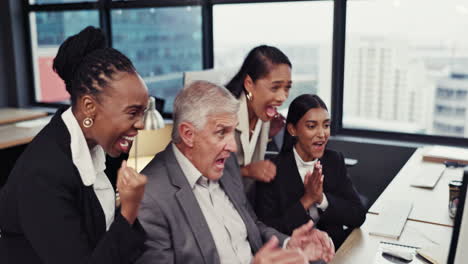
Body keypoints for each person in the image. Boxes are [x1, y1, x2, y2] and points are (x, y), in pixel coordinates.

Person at [136, 81, 335, 264]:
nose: (233, 146)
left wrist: (287, 244)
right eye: (222, 132)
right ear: (188, 134)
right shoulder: (148, 196)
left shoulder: (226, 163)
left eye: (233, 131)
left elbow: (252, 226)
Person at [0, 26, 148, 264]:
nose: (140, 124)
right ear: (89, 107)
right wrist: (129, 210)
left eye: (144, 112)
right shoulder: (44, 175)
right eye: (132, 113)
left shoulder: (100, 148)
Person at [255, 94, 366, 248]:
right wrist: (307, 200)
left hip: (334, 252)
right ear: (293, 129)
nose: (322, 134)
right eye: (312, 126)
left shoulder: (334, 161)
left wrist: (322, 199)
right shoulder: (272, 171)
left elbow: (358, 215)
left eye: (326, 125)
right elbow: (269, 231)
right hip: (295, 255)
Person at [225, 45, 292, 204]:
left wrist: (268, 137)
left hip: (246, 204)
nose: (283, 97)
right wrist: (246, 171)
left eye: (287, 88)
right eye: (275, 87)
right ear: (249, 83)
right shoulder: (223, 115)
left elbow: (248, 148)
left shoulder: (263, 112)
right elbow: (203, 172)